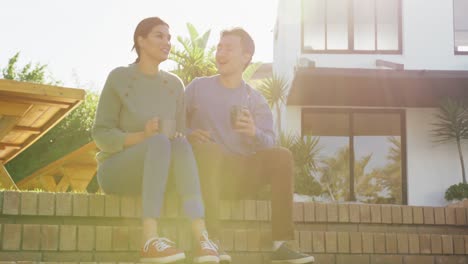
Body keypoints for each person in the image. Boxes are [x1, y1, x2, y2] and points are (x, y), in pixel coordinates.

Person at [92, 17, 219, 264]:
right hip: (117, 170)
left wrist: (182, 136)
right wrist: (143, 136)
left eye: (169, 38)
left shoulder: (174, 84)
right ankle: (149, 239)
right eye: (160, 36)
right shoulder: (119, 77)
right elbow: (101, 134)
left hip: (160, 173)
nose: (167, 42)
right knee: (160, 142)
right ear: (140, 40)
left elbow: (179, 133)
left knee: (179, 144)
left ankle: (202, 238)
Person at [185, 28, 315, 264]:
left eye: (229, 48)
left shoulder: (255, 99)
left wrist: (254, 132)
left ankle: (280, 245)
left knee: (282, 156)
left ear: (246, 57)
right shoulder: (197, 88)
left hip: (241, 176)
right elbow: (174, 124)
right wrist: (191, 134)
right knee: (211, 151)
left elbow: (270, 141)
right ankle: (211, 240)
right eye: (219, 47)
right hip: (206, 172)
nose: (220, 53)